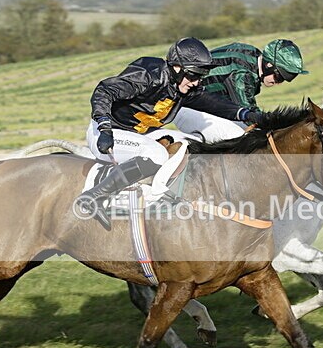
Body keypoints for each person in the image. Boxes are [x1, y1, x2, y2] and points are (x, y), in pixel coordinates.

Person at [77, 37, 263, 229]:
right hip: (107, 133)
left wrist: (246, 114)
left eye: (200, 76)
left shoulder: (184, 88)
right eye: (192, 75)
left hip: (139, 134)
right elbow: (104, 91)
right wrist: (104, 127)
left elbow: (212, 103)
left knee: (188, 144)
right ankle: (93, 197)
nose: (196, 82)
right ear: (176, 67)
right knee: (156, 154)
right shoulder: (150, 74)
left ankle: (160, 192)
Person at [173, 39, 309, 142]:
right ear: (269, 65)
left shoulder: (253, 56)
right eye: (279, 77)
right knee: (237, 136)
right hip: (184, 106)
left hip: (205, 106)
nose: (278, 83)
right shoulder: (242, 74)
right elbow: (251, 116)